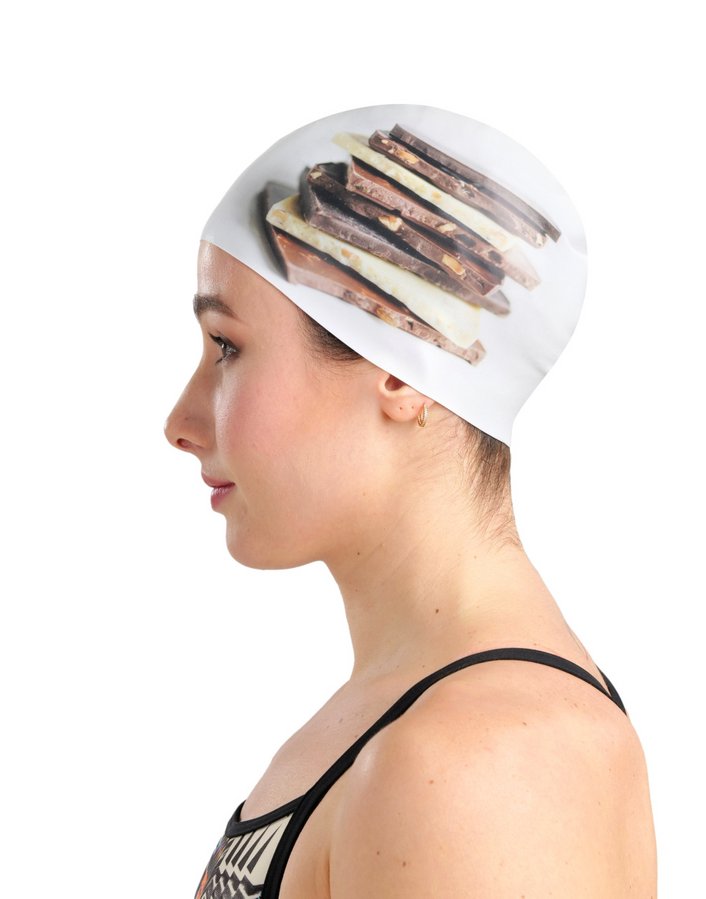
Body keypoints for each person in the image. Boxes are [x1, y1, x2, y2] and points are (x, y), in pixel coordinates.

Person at [165, 105, 656, 898]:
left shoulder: (480, 762)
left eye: (228, 346)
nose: (179, 423)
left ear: (401, 367)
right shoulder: (402, 722)